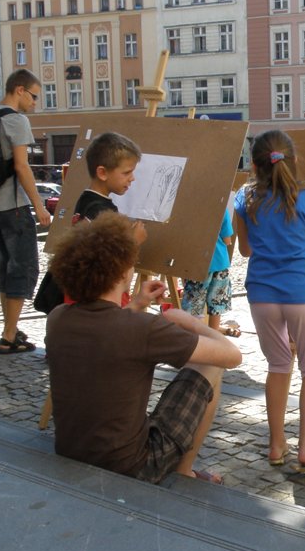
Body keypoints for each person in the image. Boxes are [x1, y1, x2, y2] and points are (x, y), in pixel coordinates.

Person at [45, 213, 241, 485]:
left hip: (71, 450)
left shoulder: (58, 318)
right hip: (133, 466)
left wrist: (136, 303)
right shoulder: (141, 328)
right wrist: (189, 322)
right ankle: (184, 470)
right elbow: (232, 355)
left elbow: (106, 331)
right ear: (125, 271)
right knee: (210, 364)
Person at [234, 130, 305, 474]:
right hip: (301, 294)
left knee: (278, 366)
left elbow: (246, 250)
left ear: (254, 164)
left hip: (261, 294)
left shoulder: (245, 198)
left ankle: (276, 444)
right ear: (294, 161)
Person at [0, 69, 52, 354]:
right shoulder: (16, 120)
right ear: (19, 90)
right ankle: (9, 336)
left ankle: (10, 327)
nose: (35, 103)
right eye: (33, 96)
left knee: (5, 270)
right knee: (23, 269)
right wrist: (39, 205)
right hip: (14, 206)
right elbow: (22, 167)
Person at [34, 132, 146, 314]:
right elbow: (104, 263)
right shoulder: (101, 212)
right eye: (126, 172)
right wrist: (133, 242)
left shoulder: (86, 199)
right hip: (96, 303)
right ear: (102, 172)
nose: (132, 178)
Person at [182, 209, 239, 337]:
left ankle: (196, 337)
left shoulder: (188, 208)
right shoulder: (222, 208)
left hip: (196, 262)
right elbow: (227, 240)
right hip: (220, 262)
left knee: (194, 304)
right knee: (216, 303)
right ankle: (214, 336)